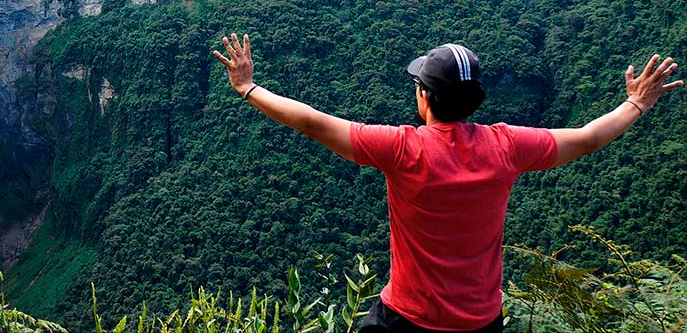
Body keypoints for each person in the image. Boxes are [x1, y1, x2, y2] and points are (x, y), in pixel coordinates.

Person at [212, 33, 682, 333]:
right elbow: (584, 140)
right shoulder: (507, 146)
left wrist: (247, 87)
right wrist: (636, 104)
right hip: (481, 322)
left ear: (424, 97)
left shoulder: (402, 149)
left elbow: (314, 123)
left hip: (408, 319)